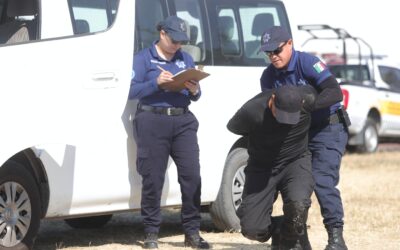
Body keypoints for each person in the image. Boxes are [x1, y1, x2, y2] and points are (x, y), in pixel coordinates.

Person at [258, 26, 350, 250]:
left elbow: (334, 92)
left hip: (329, 127)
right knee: (298, 185)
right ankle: (297, 237)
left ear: (290, 43)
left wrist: (310, 104)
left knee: (322, 180)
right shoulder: (268, 76)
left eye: (277, 50)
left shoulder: (308, 63)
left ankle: (336, 240)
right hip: (300, 132)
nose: (273, 56)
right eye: (268, 52)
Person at [129, 16, 209, 249]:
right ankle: (151, 232)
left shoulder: (185, 58)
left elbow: (196, 94)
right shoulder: (143, 59)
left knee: (192, 176)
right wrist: (156, 83)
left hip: (182, 120)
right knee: (153, 178)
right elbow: (131, 91)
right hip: (152, 120)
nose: (177, 45)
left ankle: (192, 232)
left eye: (181, 41)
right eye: (174, 40)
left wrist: (195, 90)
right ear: (162, 33)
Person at [228, 85, 318, 250]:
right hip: (262, 167)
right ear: (272, 100)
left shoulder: (309, 98)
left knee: (298, 207)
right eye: (281, 115)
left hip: (295, 161)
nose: (285, 121)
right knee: (252, 230)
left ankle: (293, 232)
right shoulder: (253, 110)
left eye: (292, 117)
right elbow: (234, 127)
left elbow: (333, 92)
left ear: (302, 102)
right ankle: (279, 227)